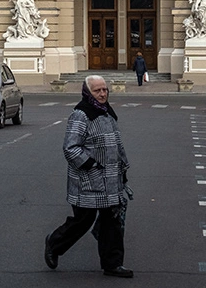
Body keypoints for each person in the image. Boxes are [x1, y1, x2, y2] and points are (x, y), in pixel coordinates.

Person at [45, 76, 133, 279]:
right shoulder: (81, 114)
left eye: (105, 90)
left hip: (111, 178)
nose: (103, 94)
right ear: (87, 93)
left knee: (112, 222)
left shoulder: (107, 111)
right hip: (88, 179)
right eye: (97, 91)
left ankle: (113, 264)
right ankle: (54, 243)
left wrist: (123, 169)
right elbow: (70, 147)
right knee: (83, 221)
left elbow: (116, 144)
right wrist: (91, 165)